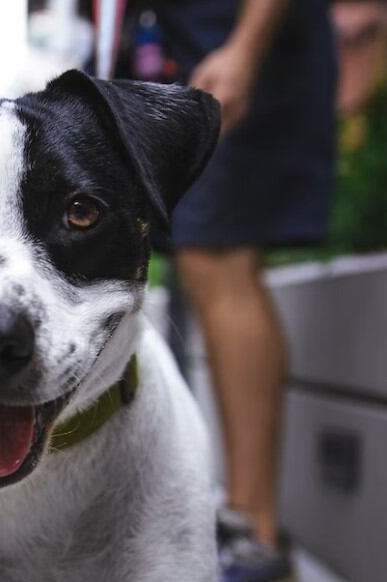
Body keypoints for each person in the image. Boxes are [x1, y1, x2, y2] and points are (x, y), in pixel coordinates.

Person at [154, 1, 338, 581]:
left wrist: (245, 50)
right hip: (194, 47)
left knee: (217, 254)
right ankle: (242, 526)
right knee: (200, 255)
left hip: (236, 45)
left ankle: (257, 535)